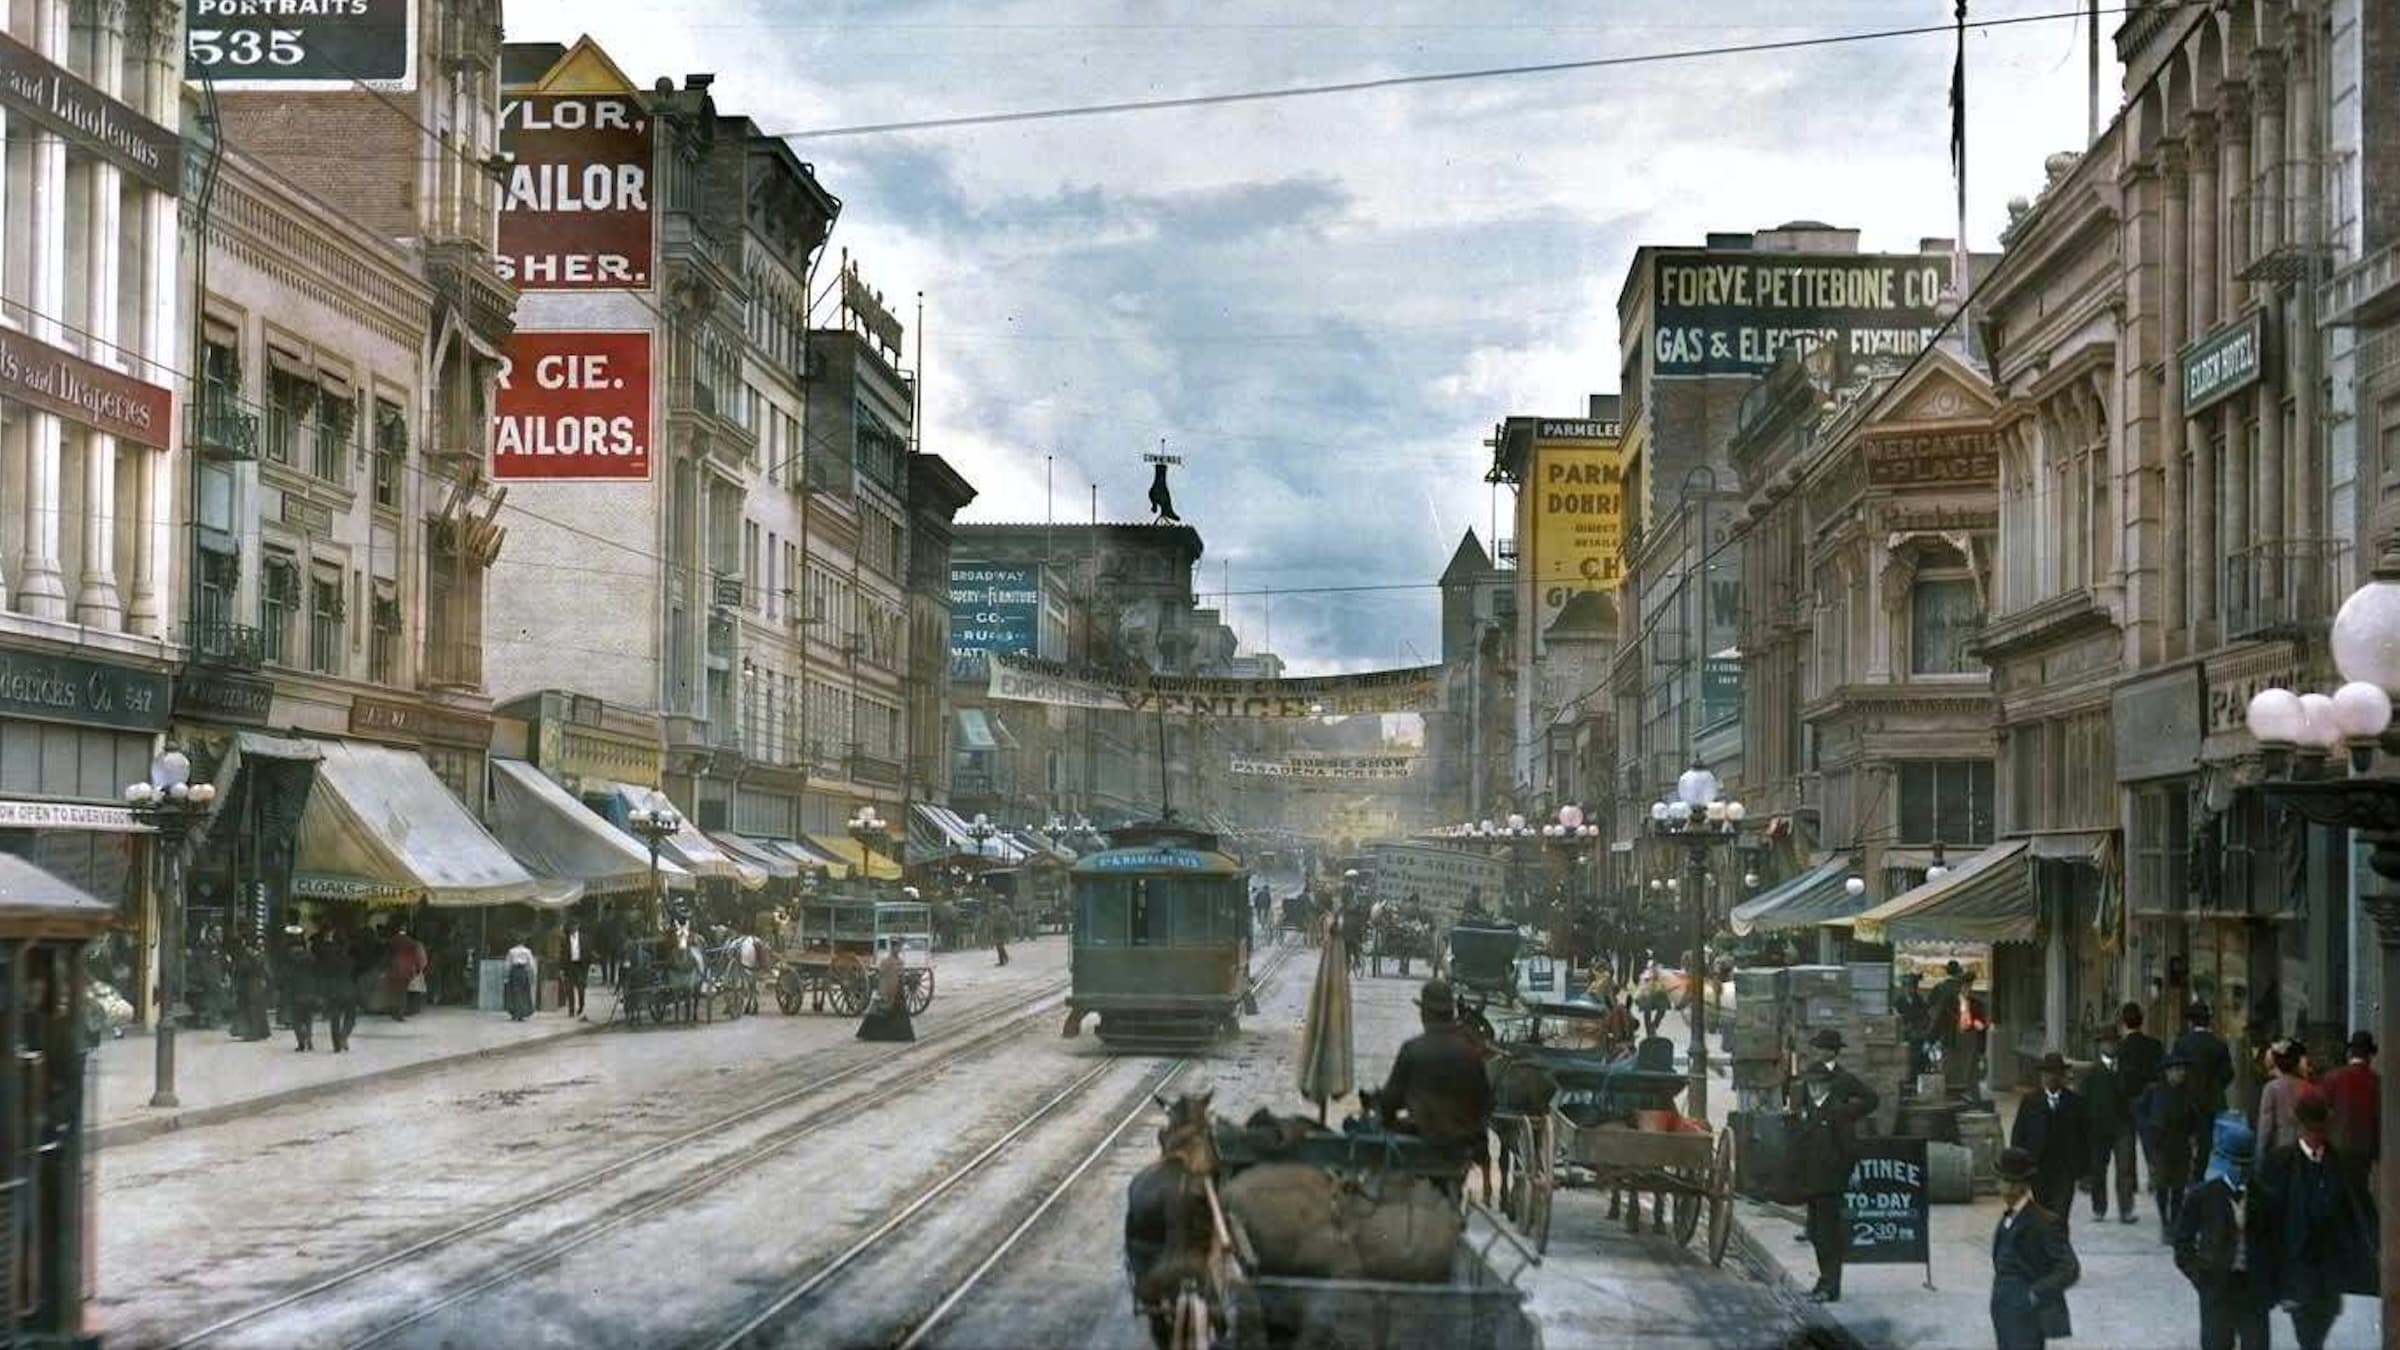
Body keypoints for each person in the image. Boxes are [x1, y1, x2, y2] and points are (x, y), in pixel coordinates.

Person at [2253, 1094, 2379, 1350]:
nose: (2315, 1136)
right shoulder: (2281, 1162)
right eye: (2310, 1129)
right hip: (2298, 1257)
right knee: (2305, 1322)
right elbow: (2266, 1214)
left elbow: (2361, 1208)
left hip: (2332, 1257)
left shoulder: (2342, 1163)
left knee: (2326, 1314)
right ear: (2300, 1127)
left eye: (2320, 1129)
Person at [1375, 980, 1495, 1200]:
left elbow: (1389, 1102)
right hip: (1460, 1148)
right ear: (1451, 1013)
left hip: (1421, 1145)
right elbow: (1486, 1103)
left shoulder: (1412, 1050)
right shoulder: (1470, 1053)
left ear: (1425, 1015)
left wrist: (1387, 1117)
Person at [1788, 1028, 1878, 1304]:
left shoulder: (1844, 1080)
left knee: (1827, 1232)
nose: (1819, 1052)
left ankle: (1830, 1285)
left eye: (1823, 1048)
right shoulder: (1809, 1076)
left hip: (1830, 1172)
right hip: (1812, 1171)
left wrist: (1848, 1113)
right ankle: (1824, 1282)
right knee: (1816, 1231)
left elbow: (1871, 1101)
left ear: (1833, 1051)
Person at [2173, 1114, 2267, 1350]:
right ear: (2224, 1161)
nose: (2241, 1170)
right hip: (2216, 1285)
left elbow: (2275, 1242)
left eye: (2246, 1164)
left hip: (2252, 1286)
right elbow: (2182, 1242)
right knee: (2217, 1344)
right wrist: (2200, 1277)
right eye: (2235, 1163)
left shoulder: (2265, 1196)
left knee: (2256, 1344)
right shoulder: (2202, 1196)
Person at [1991, 1146, 2079, 1350]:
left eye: (2001, 1179)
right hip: (2004, 1311)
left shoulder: (2043, 1223)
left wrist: (2035, 1294)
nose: (1997, 1185)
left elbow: (2069, 1268)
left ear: (2016, 1185)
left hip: (2026, 1315)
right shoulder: (2009, 1217)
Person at [2010, 1052, 2092, 1238]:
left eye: (2056, 1073)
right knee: (2043, 1214)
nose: (2052, 1077)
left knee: (2060, 1215)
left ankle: (2060, 1251)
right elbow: (2019, 1135)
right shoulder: (2030, 1102)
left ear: (2062, 1076)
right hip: (2038, 1169)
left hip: (2065, 1169)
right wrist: (2019, 1169)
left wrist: (2086, 1171)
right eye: (2048, 1073)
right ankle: (2046, 1250)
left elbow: (2085, 1137)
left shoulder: (2075, 1103)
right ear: (2042, 1076)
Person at [2138, 1051, 2212, 1240]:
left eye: (2183, 1070)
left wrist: (2196, 1139)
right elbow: (2140, 1112)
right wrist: (2148, 1130)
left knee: (2178, 1187)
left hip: (2181, 1145)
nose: (2181, 1073)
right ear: (2167, 1072)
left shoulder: (2189, 1094)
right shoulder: (2154, 1091)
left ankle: (2175, 1222)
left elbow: (2197, 1120)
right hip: (2160, 1145)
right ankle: (2165, 1221)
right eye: (2177, 1070)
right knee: (2162, 1184)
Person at [2082, 1028, 2139, 1223]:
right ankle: (2099, 1207)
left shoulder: (2127, 1069)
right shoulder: (2092, 1072)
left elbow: (2135, 1096)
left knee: (2125, 1169)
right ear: (2100, 1045)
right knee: (2098, 1169)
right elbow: (2084, 1101)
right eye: (2106, 1042)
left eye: (2114, 1042)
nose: (2111, 1045)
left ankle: (2126, 1209)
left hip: (2123, 1126)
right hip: (2099, 1128)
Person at [2322, 1031, 2378, 1178]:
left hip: (2335, 1145)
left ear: (2350, 1053)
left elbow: (2323, 1112)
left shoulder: (2332, 1077)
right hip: (2363, 1147)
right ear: (2369, 1055)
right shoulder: (2376, 1081)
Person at [2176, 1003, 2236, 1114]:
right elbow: (2228, 1073)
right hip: (2214, 1101)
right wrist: (2216, 1086)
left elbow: (2175, 1072)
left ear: (2191, 1022)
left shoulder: (2182, 1044)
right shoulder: (2219, 1045)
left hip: (2188, 1101)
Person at [2254, 1040, 2309, 1159]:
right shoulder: (2307, 1087)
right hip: (2303, 1149)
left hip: (2280, 1148)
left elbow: (2266, 1126)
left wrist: (2260, 1155)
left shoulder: (2271, 1088)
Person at [856, 947, 916, 1043]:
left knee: (898, 1013)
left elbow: (901, 976)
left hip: (897, 990)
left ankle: (901, 1035)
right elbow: (881, 975)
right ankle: (871, 1034)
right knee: (881, 1009)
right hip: (887, 988)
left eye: (898, 949)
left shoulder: (900, 962)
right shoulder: (886, 961)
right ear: (892, 950)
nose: (897, 951)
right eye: (895, 948)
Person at [315, 927, 358, 1053]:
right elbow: (354, 973)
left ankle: (336, 1044)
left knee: (335, 1018)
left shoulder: (326, 958)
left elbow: (321, 974)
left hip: (332, 990)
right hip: (348, 989)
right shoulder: (349, 959)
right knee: (350, 1016)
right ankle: (344, 1035)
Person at [277, 925, 316, 1052]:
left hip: (295, 991)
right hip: (310, 990)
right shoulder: (310, 956)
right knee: (308, 1017)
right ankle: (309, 1038)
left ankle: (301, 1041)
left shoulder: (288, 957)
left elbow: (284, 974)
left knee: (297, 1018)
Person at [559, 918, 590, 1020]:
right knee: (570, 989)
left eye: (575, 926)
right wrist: (562, 968)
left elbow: (587, 952)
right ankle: (571, 1010)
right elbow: (562, 954)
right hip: (570, 966)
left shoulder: (584, 938)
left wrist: (588, 966)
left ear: (578, 926)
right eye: (572, 926)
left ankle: (581, 1006)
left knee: (581, 988)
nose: (573, 928)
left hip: (580, 966)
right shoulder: (565, 939)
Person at [503, 936, 536, 1021]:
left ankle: (515, 1013)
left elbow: (507, 964)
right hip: (523, 971)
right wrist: (532, 975)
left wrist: (506, 975)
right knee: (524, 992)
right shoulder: (527, 951)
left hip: (514, 971)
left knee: (514, 992)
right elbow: (531, 964)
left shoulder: (511, 951)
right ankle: (522, 1013)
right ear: (523, 942)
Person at [990, 896, 1014, 967]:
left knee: (999, 944)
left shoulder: (1005, 908)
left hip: (1002, 927)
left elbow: (1010, 918)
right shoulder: (995, 909)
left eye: (998, 900)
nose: (997, 902)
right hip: (996, 927)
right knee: (998, 945)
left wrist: (1006, 924)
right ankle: (1004, 958)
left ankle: (1002, 960)